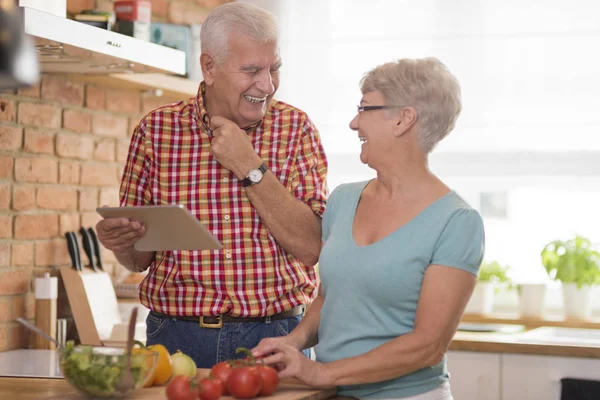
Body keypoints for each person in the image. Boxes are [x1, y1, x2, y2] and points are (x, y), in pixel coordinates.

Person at [95, 3, 328, 368]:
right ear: (209, 66)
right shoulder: (156, 131)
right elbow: (139, 260)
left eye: (274, 68)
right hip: (174, 338)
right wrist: (121, 244)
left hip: (276, 336)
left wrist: (249, 165)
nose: (267, 85)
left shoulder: (296, 129)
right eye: (252, 70)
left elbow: (311, 246)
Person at [252, 57, 485, 400]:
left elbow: (427, 346)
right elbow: (330, 298)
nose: (353, 122)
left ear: (404, 119)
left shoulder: (457, 222)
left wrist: (321, 371)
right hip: (332, 394)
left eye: (365, 108)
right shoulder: (344, 200)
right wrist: (293, 341)